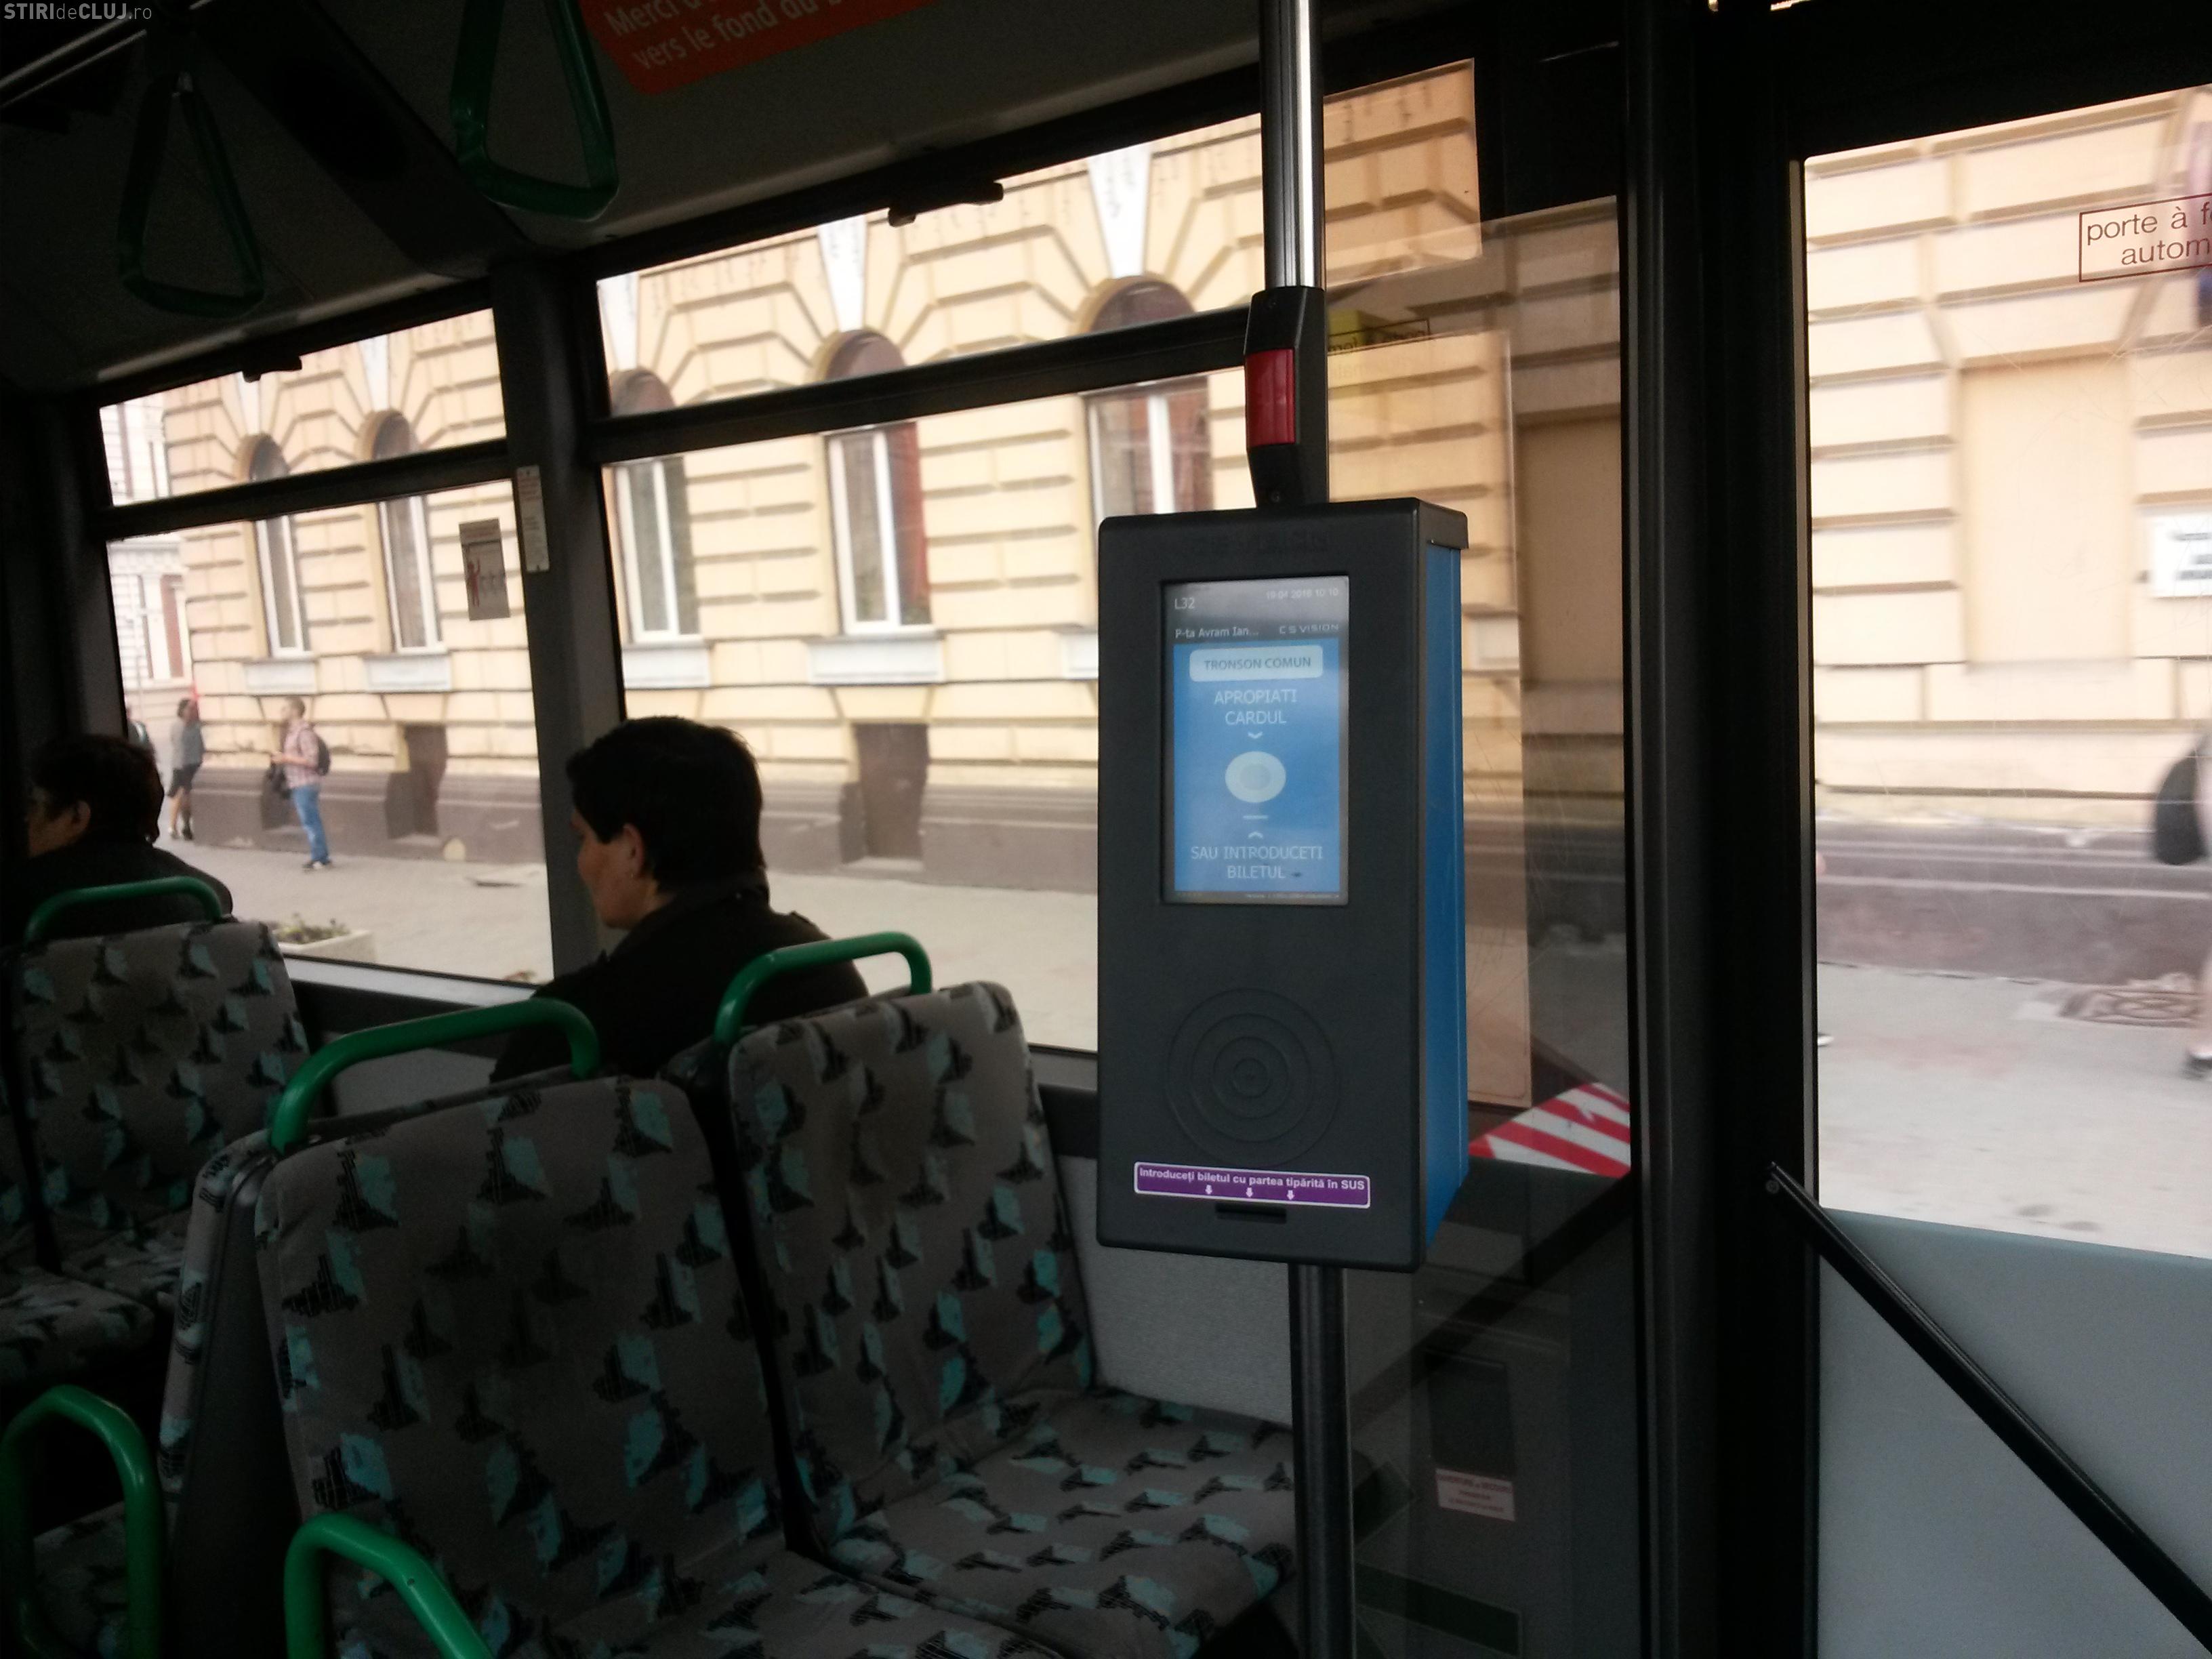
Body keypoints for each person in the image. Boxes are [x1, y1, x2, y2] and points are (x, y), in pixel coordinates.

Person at [491, 717, 867, 1082]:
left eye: (583, 839)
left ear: (633, 851)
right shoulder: (827, 968)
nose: (581, 862)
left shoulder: (573, 1028)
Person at [8, 733, 233, 944]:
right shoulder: (208, 897)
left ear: (77, 816)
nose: (28, 819)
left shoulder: (19, 900)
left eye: (35, 806)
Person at [268, 696, 331, 870]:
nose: (282, 712)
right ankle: (321, 856)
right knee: (310, 820)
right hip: (297, 782)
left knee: (310, 821)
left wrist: (285, 758)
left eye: (285, 708)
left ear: (295, 711)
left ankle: (320, 858)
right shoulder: (292, 732)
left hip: (306, 783)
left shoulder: (304, 732)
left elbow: (312, 760)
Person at [167, 696, 204, 841]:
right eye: (190, 708)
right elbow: (178, 745)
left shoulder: (197, 726)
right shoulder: (179, 726)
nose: (193, 711)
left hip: (194, 764)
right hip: (182, 766)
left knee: (183, 795)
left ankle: (184, 826)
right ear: (182, 710)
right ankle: (176, 826)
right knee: (180, 795)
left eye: (195, 708)